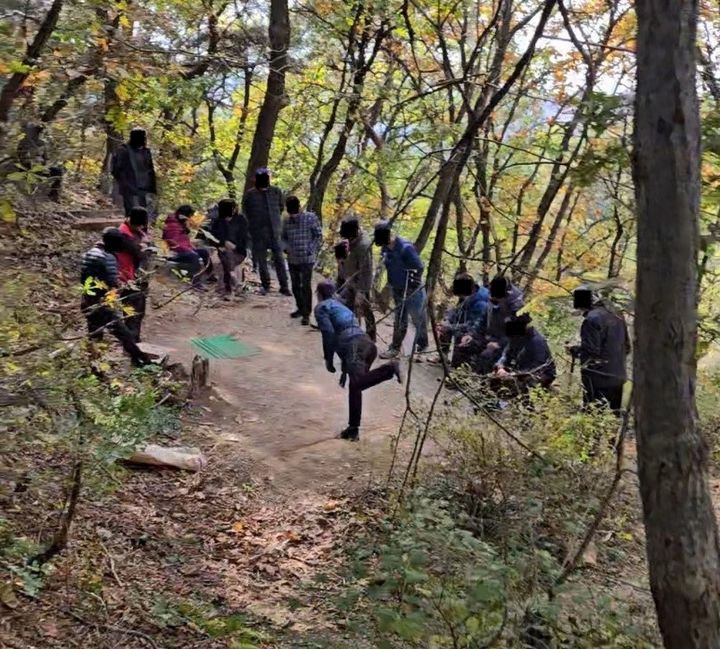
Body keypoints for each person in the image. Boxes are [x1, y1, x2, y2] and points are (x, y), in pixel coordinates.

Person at [315, 280, 402, 441]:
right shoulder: (339, 305)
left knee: (356, 384)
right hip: (366, 345)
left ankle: (389, 369)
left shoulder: (322, 307)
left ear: (318, 295)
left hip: (354, 346)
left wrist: (329, 359)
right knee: (356, 386)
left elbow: (328, 333)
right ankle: (353, 430)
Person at [80, 228, 151, 367]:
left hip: (87, 300)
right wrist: (123, 287)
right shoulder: (108, 257)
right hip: (102, 303)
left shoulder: (89, 253)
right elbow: (113, 282)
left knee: (95, 336)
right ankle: (142, 362)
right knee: (124, 335)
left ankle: (94, 368)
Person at [568, 287, 630, 413]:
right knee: (614, 417)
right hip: (618, 376)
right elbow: (627, 346)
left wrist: (573, 350)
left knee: (593, 416)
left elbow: (591, 352)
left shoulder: (591, 320)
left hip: (597, 379)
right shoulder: (617, 314)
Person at [374, 221, 429, 359]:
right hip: (397, 288)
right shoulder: (386, 249)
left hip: (412, 289)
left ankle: (422, 346)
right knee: (399, 319)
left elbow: (419, 267)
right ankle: (395, 347)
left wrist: (409, 284)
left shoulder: (405, 248)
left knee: (418, 318)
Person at [242, 167, 290, 296]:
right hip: (258, 232)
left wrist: (274, 221)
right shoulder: (250, 195)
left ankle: (284, 287)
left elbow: (280, 207)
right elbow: (246, 211)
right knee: (261, 260)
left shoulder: (276, 192)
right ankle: (265, 285)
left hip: (274, 232)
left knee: (279, 259)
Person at [435, 272, 490, 368]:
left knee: (457, 363)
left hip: (476, 334)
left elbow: (474, 326)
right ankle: (442, 356)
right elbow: (456, 310)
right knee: (445, 328)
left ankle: (462, 365)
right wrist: (447, 320)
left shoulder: (481, 303)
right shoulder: (466, 295)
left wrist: (451, 327)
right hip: (463, 324)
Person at [281, 196, 322, 325]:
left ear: (299, 207)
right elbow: (283, 238)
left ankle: (306, 314)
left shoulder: (310, 218)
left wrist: (311, 248)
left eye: (295, 212)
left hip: (307, 258)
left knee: (305, 286)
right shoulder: (286, 221)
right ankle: (300, 307)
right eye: (290, 213)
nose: (293, 215)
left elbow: (318, 235)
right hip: (292, 259)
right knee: (295, 286)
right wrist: (285, 247)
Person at [493, 314, 556, 396]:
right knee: (494, 378)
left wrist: (513, 374)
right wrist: (500, 367)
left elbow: (538, 367)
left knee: (522, 384)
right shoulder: (516, 337)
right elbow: (506, 354)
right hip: (519, 370)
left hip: (541, 374)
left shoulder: (537, 341)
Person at [474, 275, 525, 373]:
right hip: (490, 336)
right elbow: (483, 321)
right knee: (468, 343)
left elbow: (515, 337)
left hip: (504, 344)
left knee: (487, 355)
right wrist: (472, 335)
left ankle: (481, 382)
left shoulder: (517, 309)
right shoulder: (492, 298)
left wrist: (499, 343)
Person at [337, 216, 376, 342]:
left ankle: (371, 337)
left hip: (361, 283)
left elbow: (366, 271)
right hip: (350, 281)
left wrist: (362, 291)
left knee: (365, 309)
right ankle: (349, 332)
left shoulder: (363, 246)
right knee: (344, 304)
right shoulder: (351, 242)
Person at [117, 207, 151, 342]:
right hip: (127, 275)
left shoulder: (138, 231)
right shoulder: (123, 233)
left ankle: (134, 338)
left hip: (139, 274)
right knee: (132, 311)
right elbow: (137, 253)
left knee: (139, 310)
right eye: (138, 224)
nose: (140, 227)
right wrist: (144, 247)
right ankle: (131, 340)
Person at [111, 127, 157, 219]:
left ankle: (142, 232)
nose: (144, 139)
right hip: (130, 188)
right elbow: (116, 169)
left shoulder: (146, 152)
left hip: (144, 189)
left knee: (143, 214)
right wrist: (124, 182)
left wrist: (152, 188)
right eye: (142, 137)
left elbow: (150, 169)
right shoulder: (123, 150)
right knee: (131, 214)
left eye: (144, 137)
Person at [162, 205, 211, 286]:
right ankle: (195, 282)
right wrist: (188, 250)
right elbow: (172, 243)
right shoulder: (171, 225)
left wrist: (190, 247)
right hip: (175, 252)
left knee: (204, 252)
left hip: (185, 249)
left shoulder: (181, 223)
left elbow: (184, 240)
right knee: (194, 256)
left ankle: (207, 275)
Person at [209, 198, 248, 298]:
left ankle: (229, 288)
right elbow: (213, 238)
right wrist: (222, 244)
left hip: (239, 251)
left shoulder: (241, 220)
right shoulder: (218, 222)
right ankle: (233, 283)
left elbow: (246, 239)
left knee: (229, 256)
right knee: (224, 257)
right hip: (222, 250)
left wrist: (235, 246)